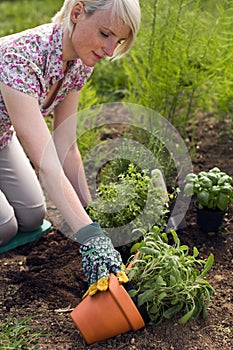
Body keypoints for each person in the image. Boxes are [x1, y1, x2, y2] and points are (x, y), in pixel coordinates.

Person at [0, 0, 141, 296]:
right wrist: (91, 237)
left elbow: (66, 146)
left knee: (33, 216)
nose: (110, 50)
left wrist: (92, 214)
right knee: (6, 227)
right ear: (77, 13)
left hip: (2, 139)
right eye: (105, 34)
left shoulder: (76, 64)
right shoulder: (19, 57)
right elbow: (47, 161)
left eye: (118, 41)